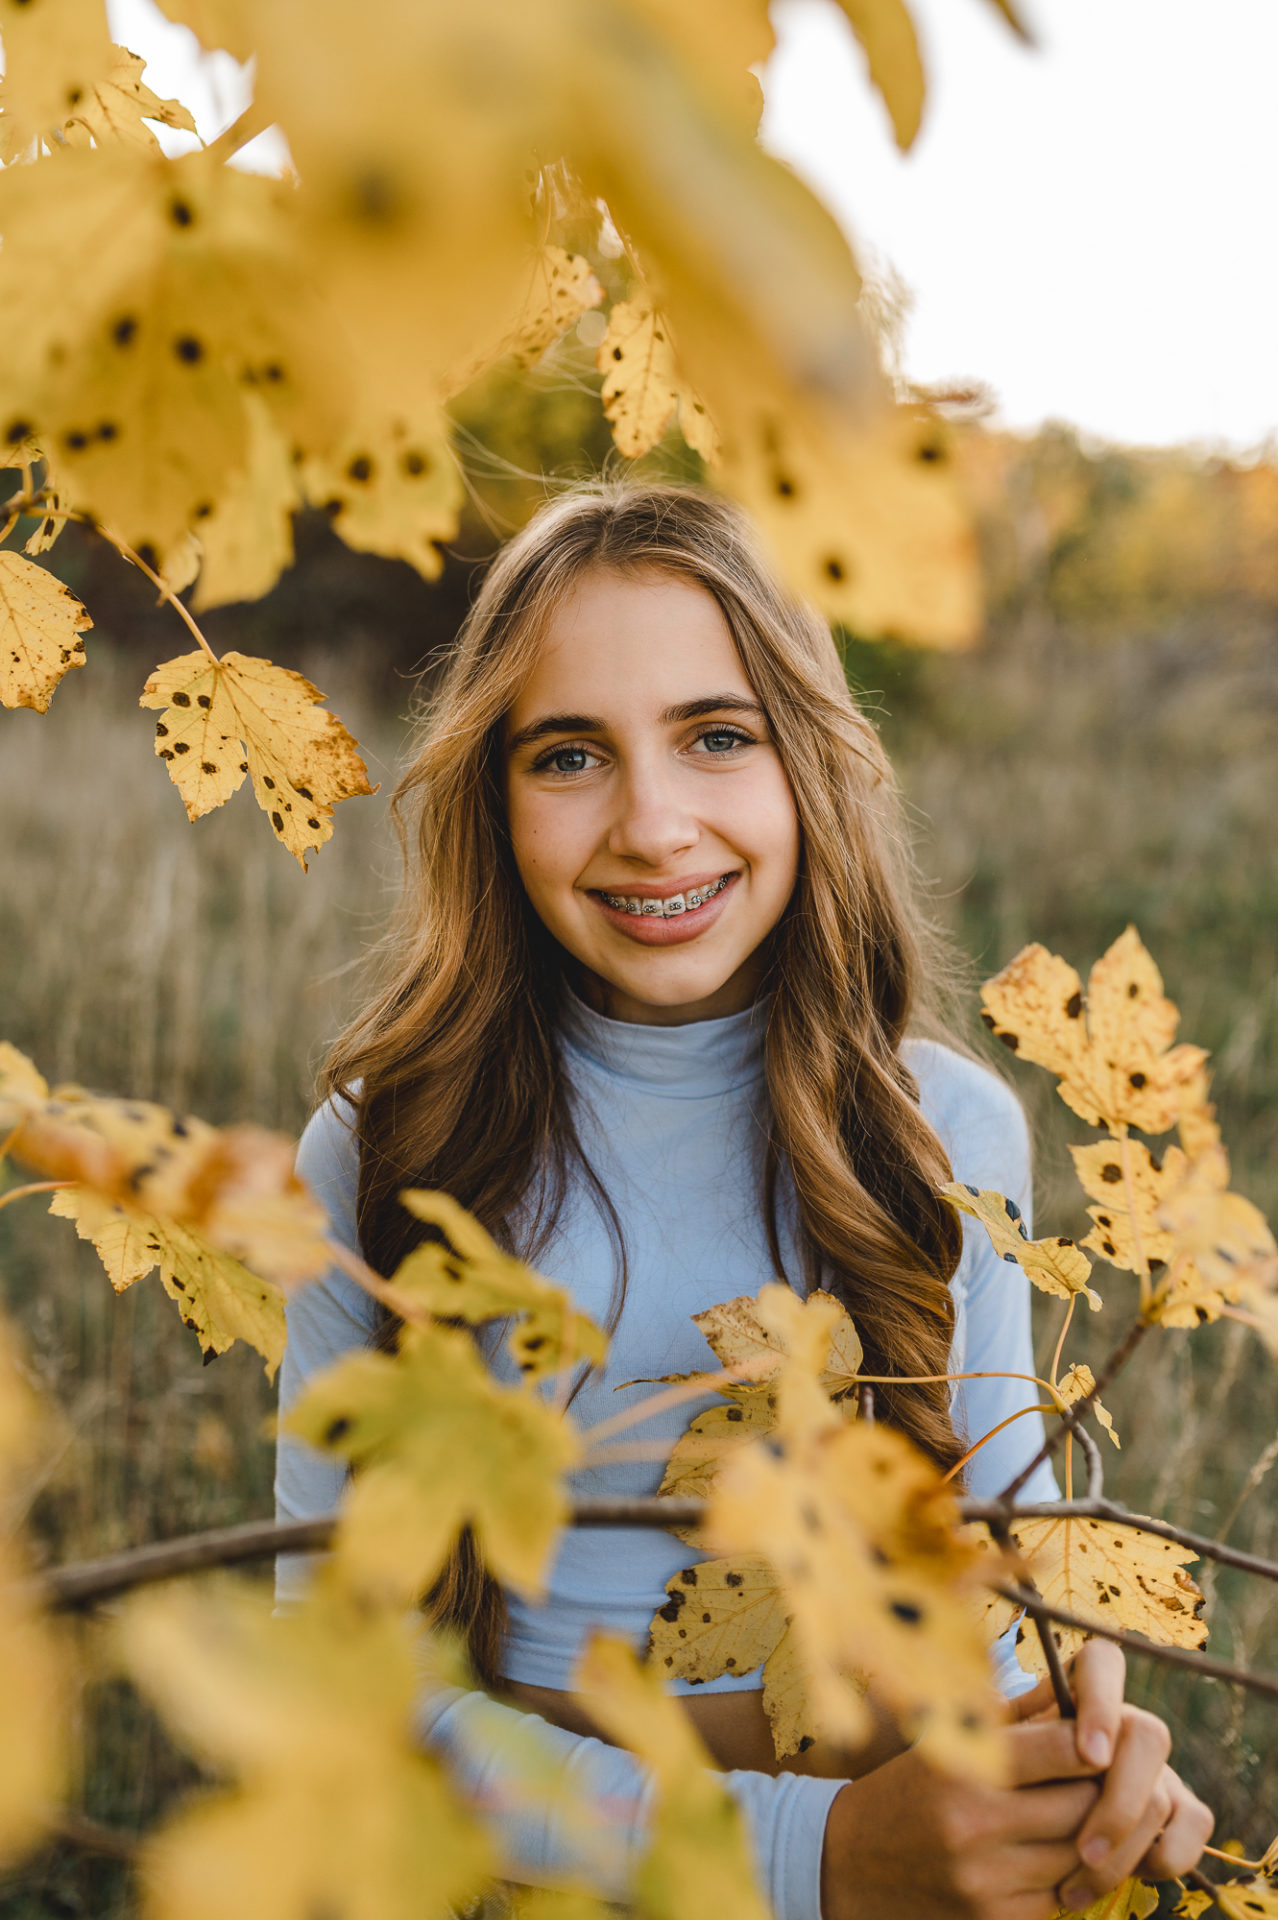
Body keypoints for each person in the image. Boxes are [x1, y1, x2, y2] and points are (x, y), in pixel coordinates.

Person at [275, 483, 1212, 1920]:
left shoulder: (938, 1128)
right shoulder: (386, 1151)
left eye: (718, 737)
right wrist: (807, 1858)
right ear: (490, 793)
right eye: (569, 754)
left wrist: (1072, 1768)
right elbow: (341, 1686)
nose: (654, 826)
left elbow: (1003, 1551)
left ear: (809, 765)